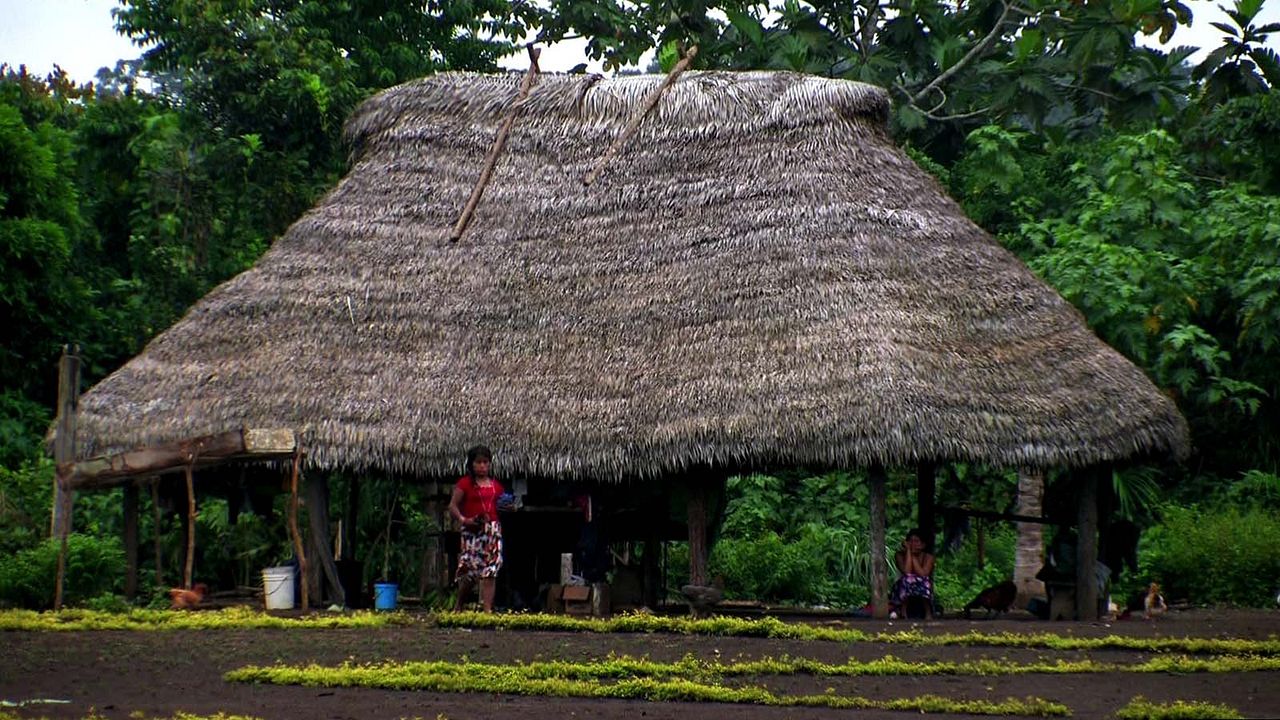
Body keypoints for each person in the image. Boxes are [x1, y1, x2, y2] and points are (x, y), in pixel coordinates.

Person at [449, 445, 505, 612]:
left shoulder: (496, 486)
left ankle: (487, 609)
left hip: (492, 530)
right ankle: (459, 605)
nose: (482, 466)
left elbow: (502, 504)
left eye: (485, 462)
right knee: (469, 570)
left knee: (491, 568)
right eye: (479, 462)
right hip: (472, 530)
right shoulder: (465, 484)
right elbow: (453, 506)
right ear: (472, 464)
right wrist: (463, 519)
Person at [891, 528, 936, 619]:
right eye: (910, 541)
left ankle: (928, 611)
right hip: (902, 585)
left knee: (924, 581)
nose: (913, 544)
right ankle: (903, 611)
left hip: (921, 584)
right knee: (908, 579)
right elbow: (906, 571)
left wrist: (913, 556)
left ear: (923, 545)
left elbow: (923, 574)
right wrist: (909, 553)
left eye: (916, 541)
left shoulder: (929, 557)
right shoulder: (899, 555)